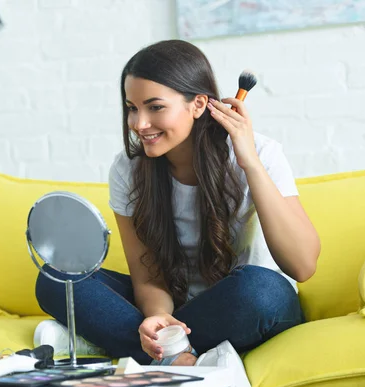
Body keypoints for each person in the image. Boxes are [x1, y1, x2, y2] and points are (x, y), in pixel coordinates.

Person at [34, 39, 321, 366]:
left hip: (244, 304)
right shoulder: (128, 170)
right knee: (57, 279)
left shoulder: (261, 153)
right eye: (132, 108)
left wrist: (250, 163)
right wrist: (158, 319)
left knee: (261, 290)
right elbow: (147, 277)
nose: (139, 124)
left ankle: (120, 346)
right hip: (176, 307)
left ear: (198, 104)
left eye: (155, 107)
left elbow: (302, 266)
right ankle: (178, 355)